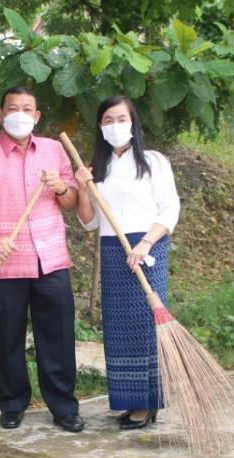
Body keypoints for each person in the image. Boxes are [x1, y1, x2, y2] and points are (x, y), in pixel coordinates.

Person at [0, 86, 83, 432]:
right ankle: (13, 404)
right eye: (12, 108)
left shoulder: (54, 149)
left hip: (50, 259)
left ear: (37, 116)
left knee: (57, 337)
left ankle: (63, 406)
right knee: (8, 338)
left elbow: (71, 201)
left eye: (27, 108)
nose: (20, 113)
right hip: (5, 261)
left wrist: (60, 186)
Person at [75, 95, 180, 429]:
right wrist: (81, 187)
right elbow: (89, 221)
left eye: (121, 119)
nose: (114, 125)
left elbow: (170, 209)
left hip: (148, 246)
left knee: (145, 327)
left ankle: (148, 404)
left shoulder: (153, 162)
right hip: (112, 248)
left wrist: (145, 242)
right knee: (119, 329)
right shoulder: (98, 169)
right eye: (107, 120)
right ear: (100, 126)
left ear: (133, 122)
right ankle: (127, 400)